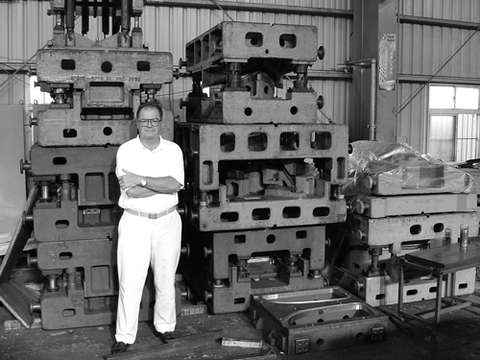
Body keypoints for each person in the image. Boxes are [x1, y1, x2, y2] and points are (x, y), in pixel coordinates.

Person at [111, 101, 184, 354]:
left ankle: (165, 327)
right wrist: (158, 184)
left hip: (167, 221)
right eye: (144, 121)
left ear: (161, 122)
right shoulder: (126, 151)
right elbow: (130, 192)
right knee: (130, 282)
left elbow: (175, 185)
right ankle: (124, 336)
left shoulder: (173, 150)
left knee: (165, 279)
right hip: (135, 222)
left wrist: (142, 179)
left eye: (154, 120)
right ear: (137, 123)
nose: (149, 125)